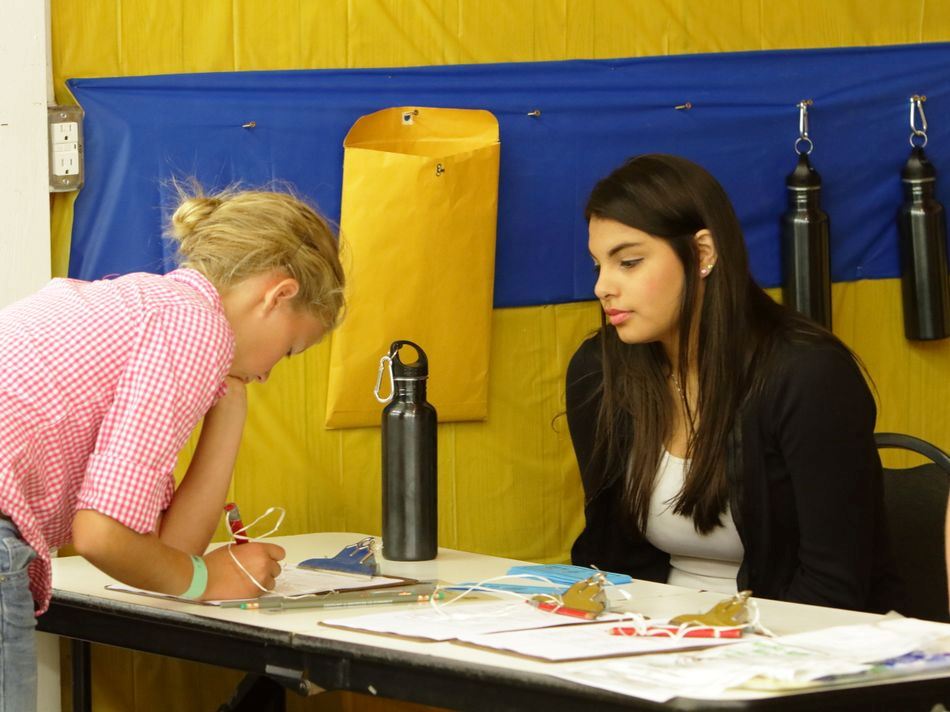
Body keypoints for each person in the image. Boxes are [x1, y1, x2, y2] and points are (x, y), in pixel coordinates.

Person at [0, 182, 345, 710]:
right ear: (278, 295)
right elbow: (103, 535)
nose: (271, 373)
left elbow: (163, 551)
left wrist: (230, 409)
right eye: (290, 349)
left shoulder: (150, 307)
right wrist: (208, 580)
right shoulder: (192, 326)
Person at [566, 154, 903, 614]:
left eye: (629, 262)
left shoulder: (807, 374)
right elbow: (608, 557)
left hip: (802, 643)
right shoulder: (600, 371)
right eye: (597, 266)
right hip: (656, 639)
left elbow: (834, 588)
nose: (603, 287)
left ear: (702, 253)